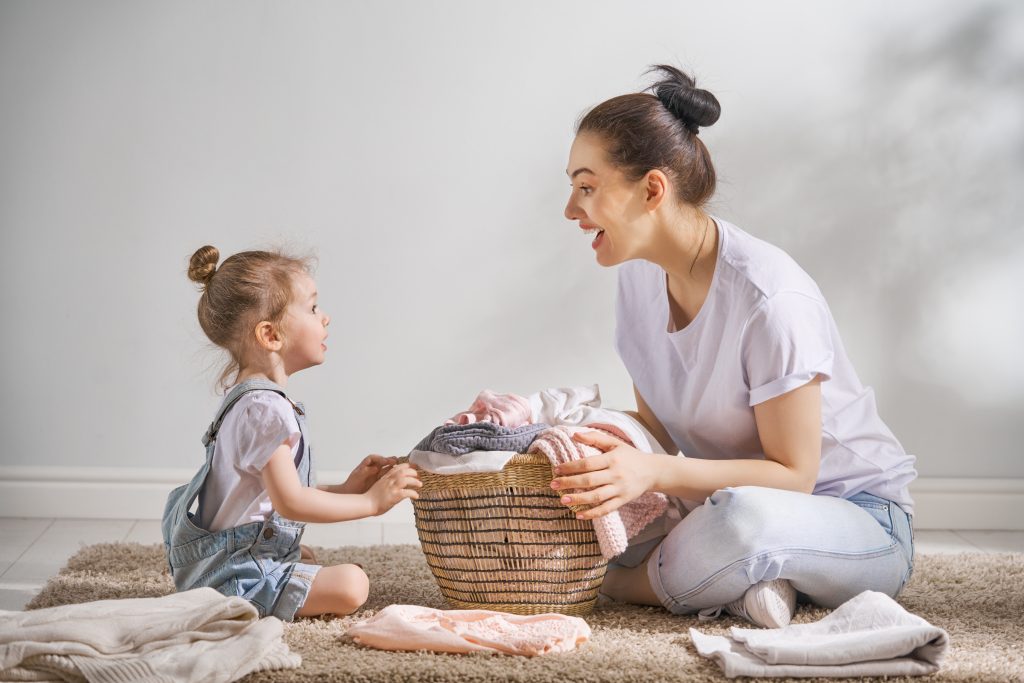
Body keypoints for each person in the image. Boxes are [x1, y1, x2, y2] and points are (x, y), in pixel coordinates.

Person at [554, 65, 916, 628]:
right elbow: (662, 434)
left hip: (856, 516)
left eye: (586, 187)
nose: (571, 211)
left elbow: (795, 475)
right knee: (582, 510)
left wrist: (649, 474)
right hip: (720, 500)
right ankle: (751, 583)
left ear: (652, 189)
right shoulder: (637, 277)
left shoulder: (771, 299)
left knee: (743, 522)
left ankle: (618, 584)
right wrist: (578, 447)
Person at [162, 246, 421, 620]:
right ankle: (253, 590)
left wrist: (349, 489)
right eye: (313, 309)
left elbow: (273, 495)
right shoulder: (264, 410)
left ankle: (272, 566)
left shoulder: (253, 402)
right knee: (353, 584)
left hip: (225, 564)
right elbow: (291, 503)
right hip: (234, 579)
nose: (325, 318)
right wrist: (371, 504)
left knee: (314, 563)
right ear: (270, 334)